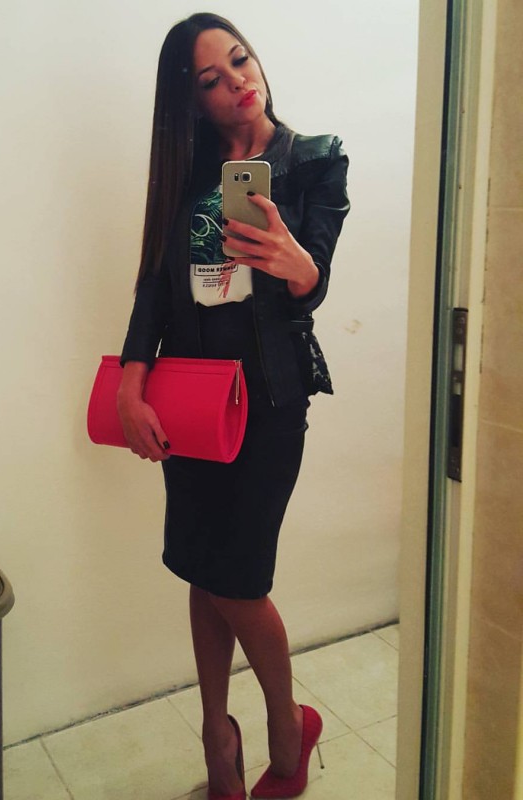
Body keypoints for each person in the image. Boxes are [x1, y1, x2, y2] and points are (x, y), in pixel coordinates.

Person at [116, 12, 349, 800]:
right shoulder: (188, 173)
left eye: (240, 61)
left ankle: (288, 723)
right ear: (193, 102)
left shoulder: (315, 159)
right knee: (201, 565)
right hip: (188, 398)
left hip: (271, 398)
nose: (237, 83)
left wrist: (296, 262)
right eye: (211, 80)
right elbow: (155, 284)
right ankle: (219, 738)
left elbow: (313, 281)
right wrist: (130, 380)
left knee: (235, 578)